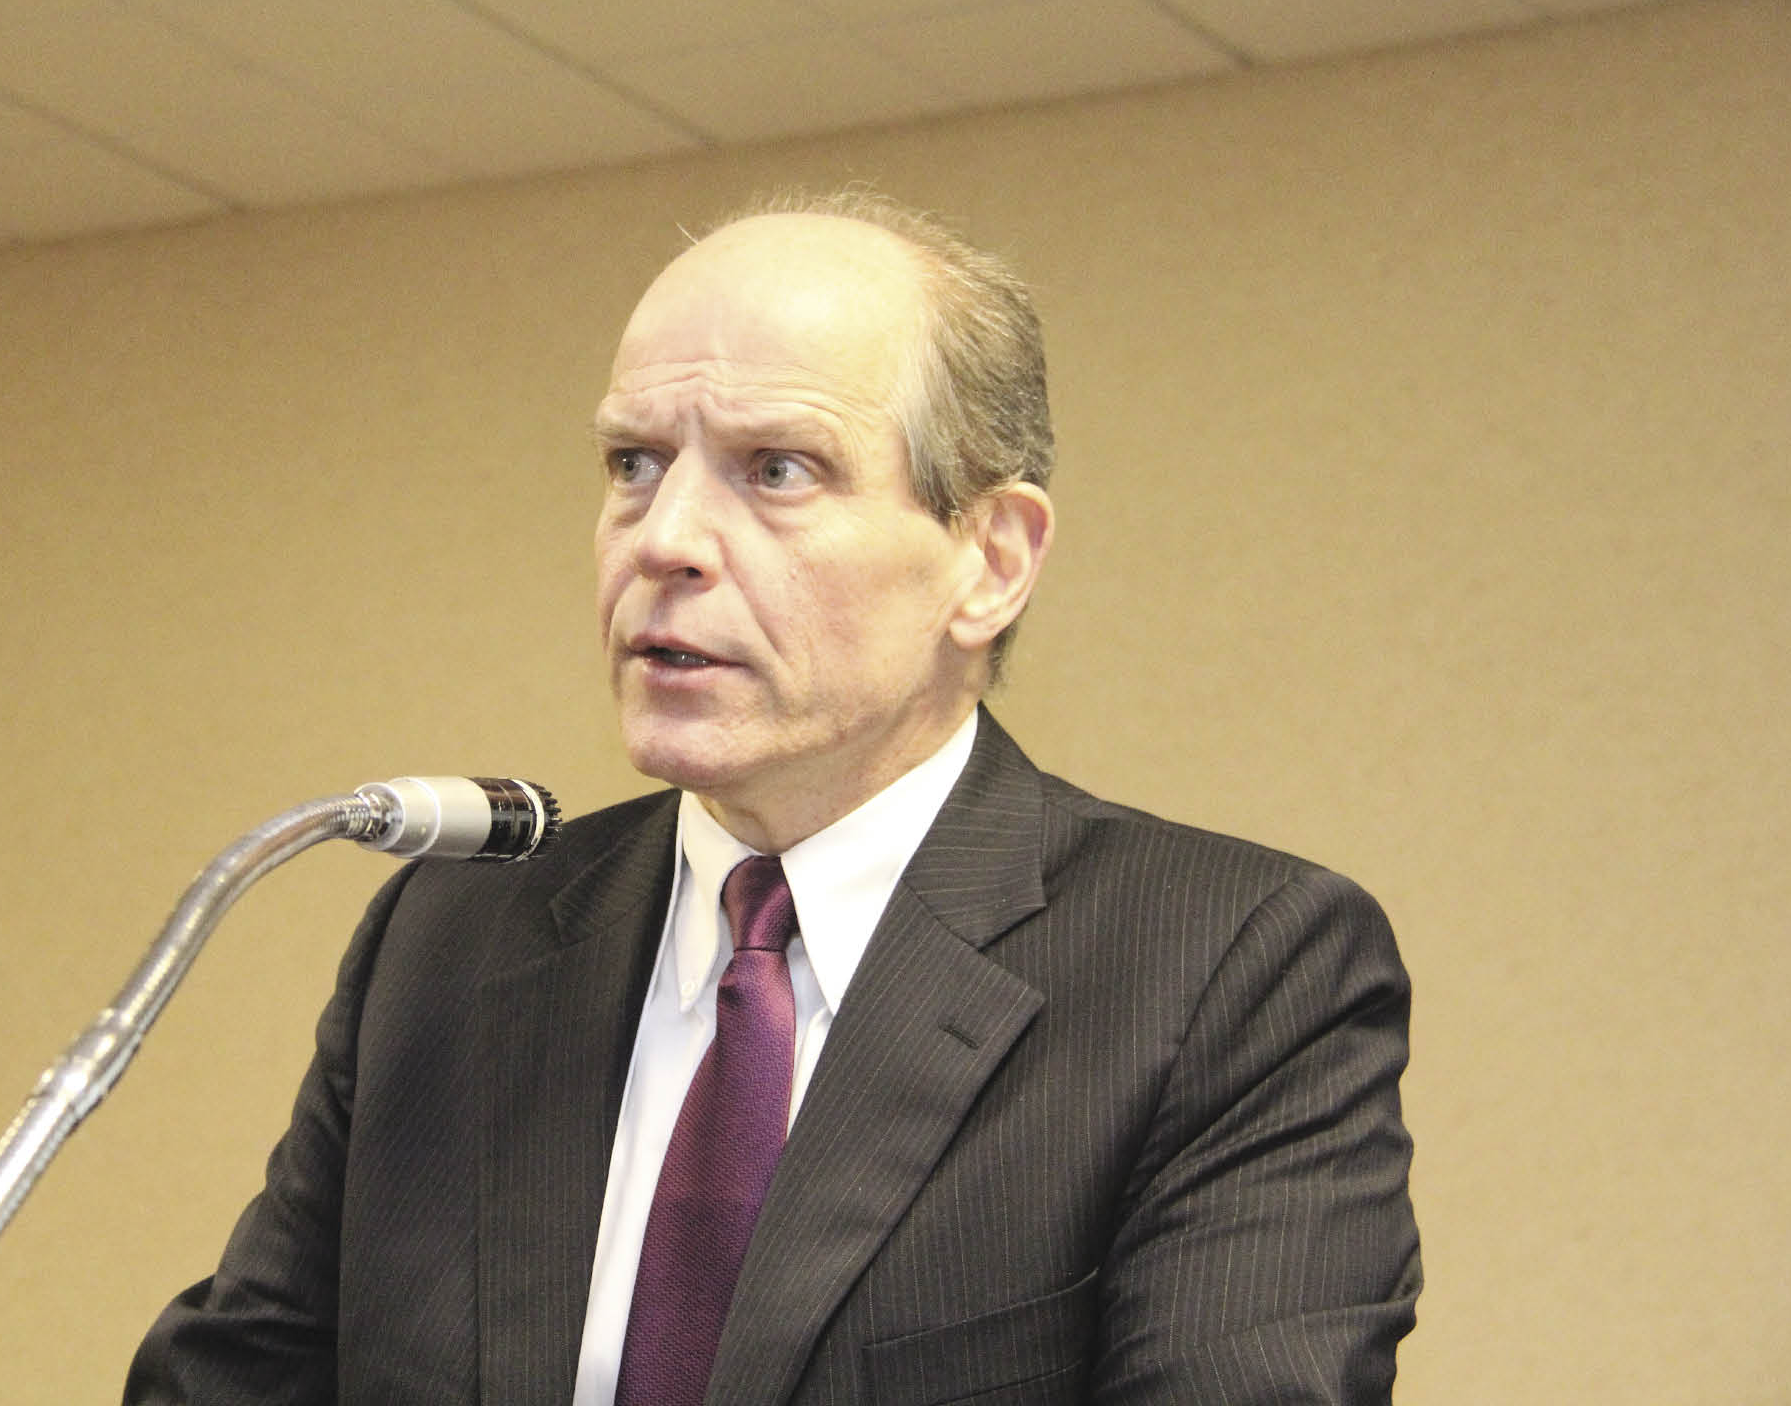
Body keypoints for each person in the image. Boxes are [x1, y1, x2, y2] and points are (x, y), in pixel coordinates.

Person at [126, 190, 1421, 1404]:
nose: (666, 539)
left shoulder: (1231, 973)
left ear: (990, 559)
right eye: (634, 463)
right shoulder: (452, 943)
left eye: (777, 471)